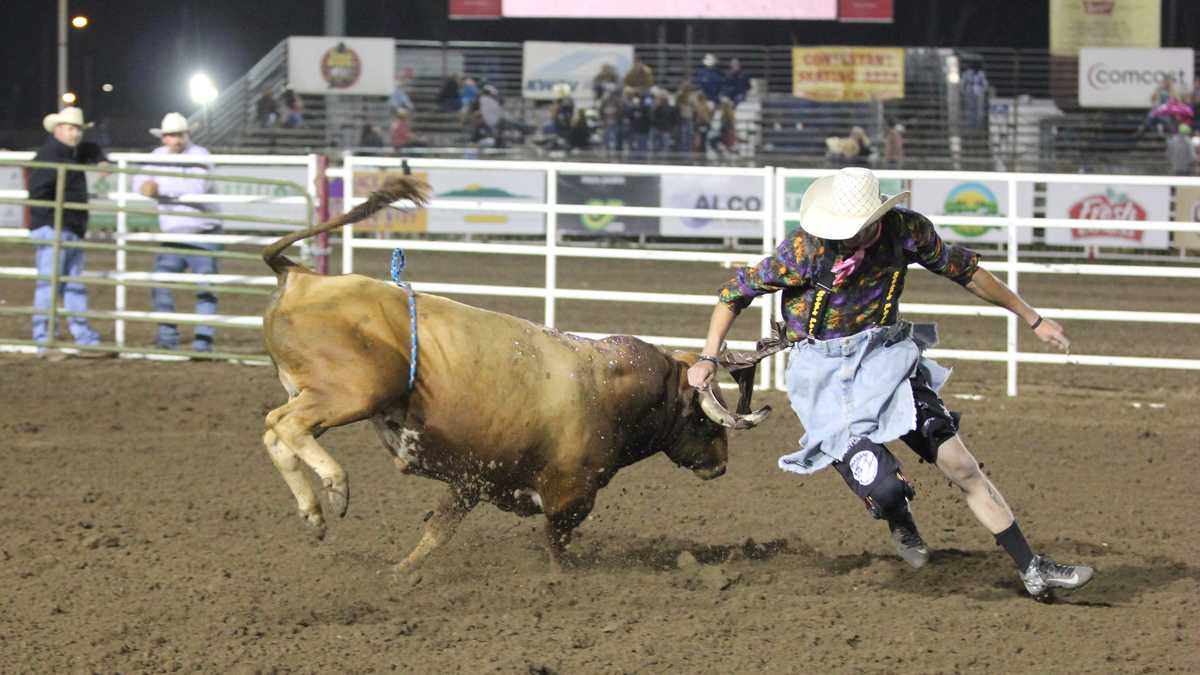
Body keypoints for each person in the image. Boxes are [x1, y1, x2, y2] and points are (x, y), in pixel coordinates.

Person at [687, 167, 1095, 601]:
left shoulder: (907, 232)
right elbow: (736, 293)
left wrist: (1031, 317)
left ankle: (1033, 568)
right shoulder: (804, 250)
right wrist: (709, 357)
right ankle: (898, 515)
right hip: (824, 376)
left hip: (886, 359)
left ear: (874, 219)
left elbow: (966, 271)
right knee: (882, 486)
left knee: (960, 464)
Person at [131, 113, 221, 353]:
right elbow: (138, 181)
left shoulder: (200, 155)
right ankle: (168, 337)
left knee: (205, 288)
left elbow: (196, 187)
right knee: (162, 283)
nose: (174, 140)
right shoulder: (157, 156)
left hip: (202, 232)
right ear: (164, 137)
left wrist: (156, 187)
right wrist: (143, 186)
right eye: (170, 135)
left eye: (178, 135)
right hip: (175, 234)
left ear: (186, 135)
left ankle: (202, 342)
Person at [28, 106, 109, 357]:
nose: (76, 134)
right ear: (59, 129)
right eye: (72, 129)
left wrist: (100, 157)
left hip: (67, 227)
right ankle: (46, 340)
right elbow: (37, 193)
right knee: (53, 285)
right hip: (56, 227)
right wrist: (55, 220)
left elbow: (91, 148)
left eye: (78, 130)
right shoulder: (51, 156)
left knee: (69, 284)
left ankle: (80, 338)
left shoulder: (67, 152)